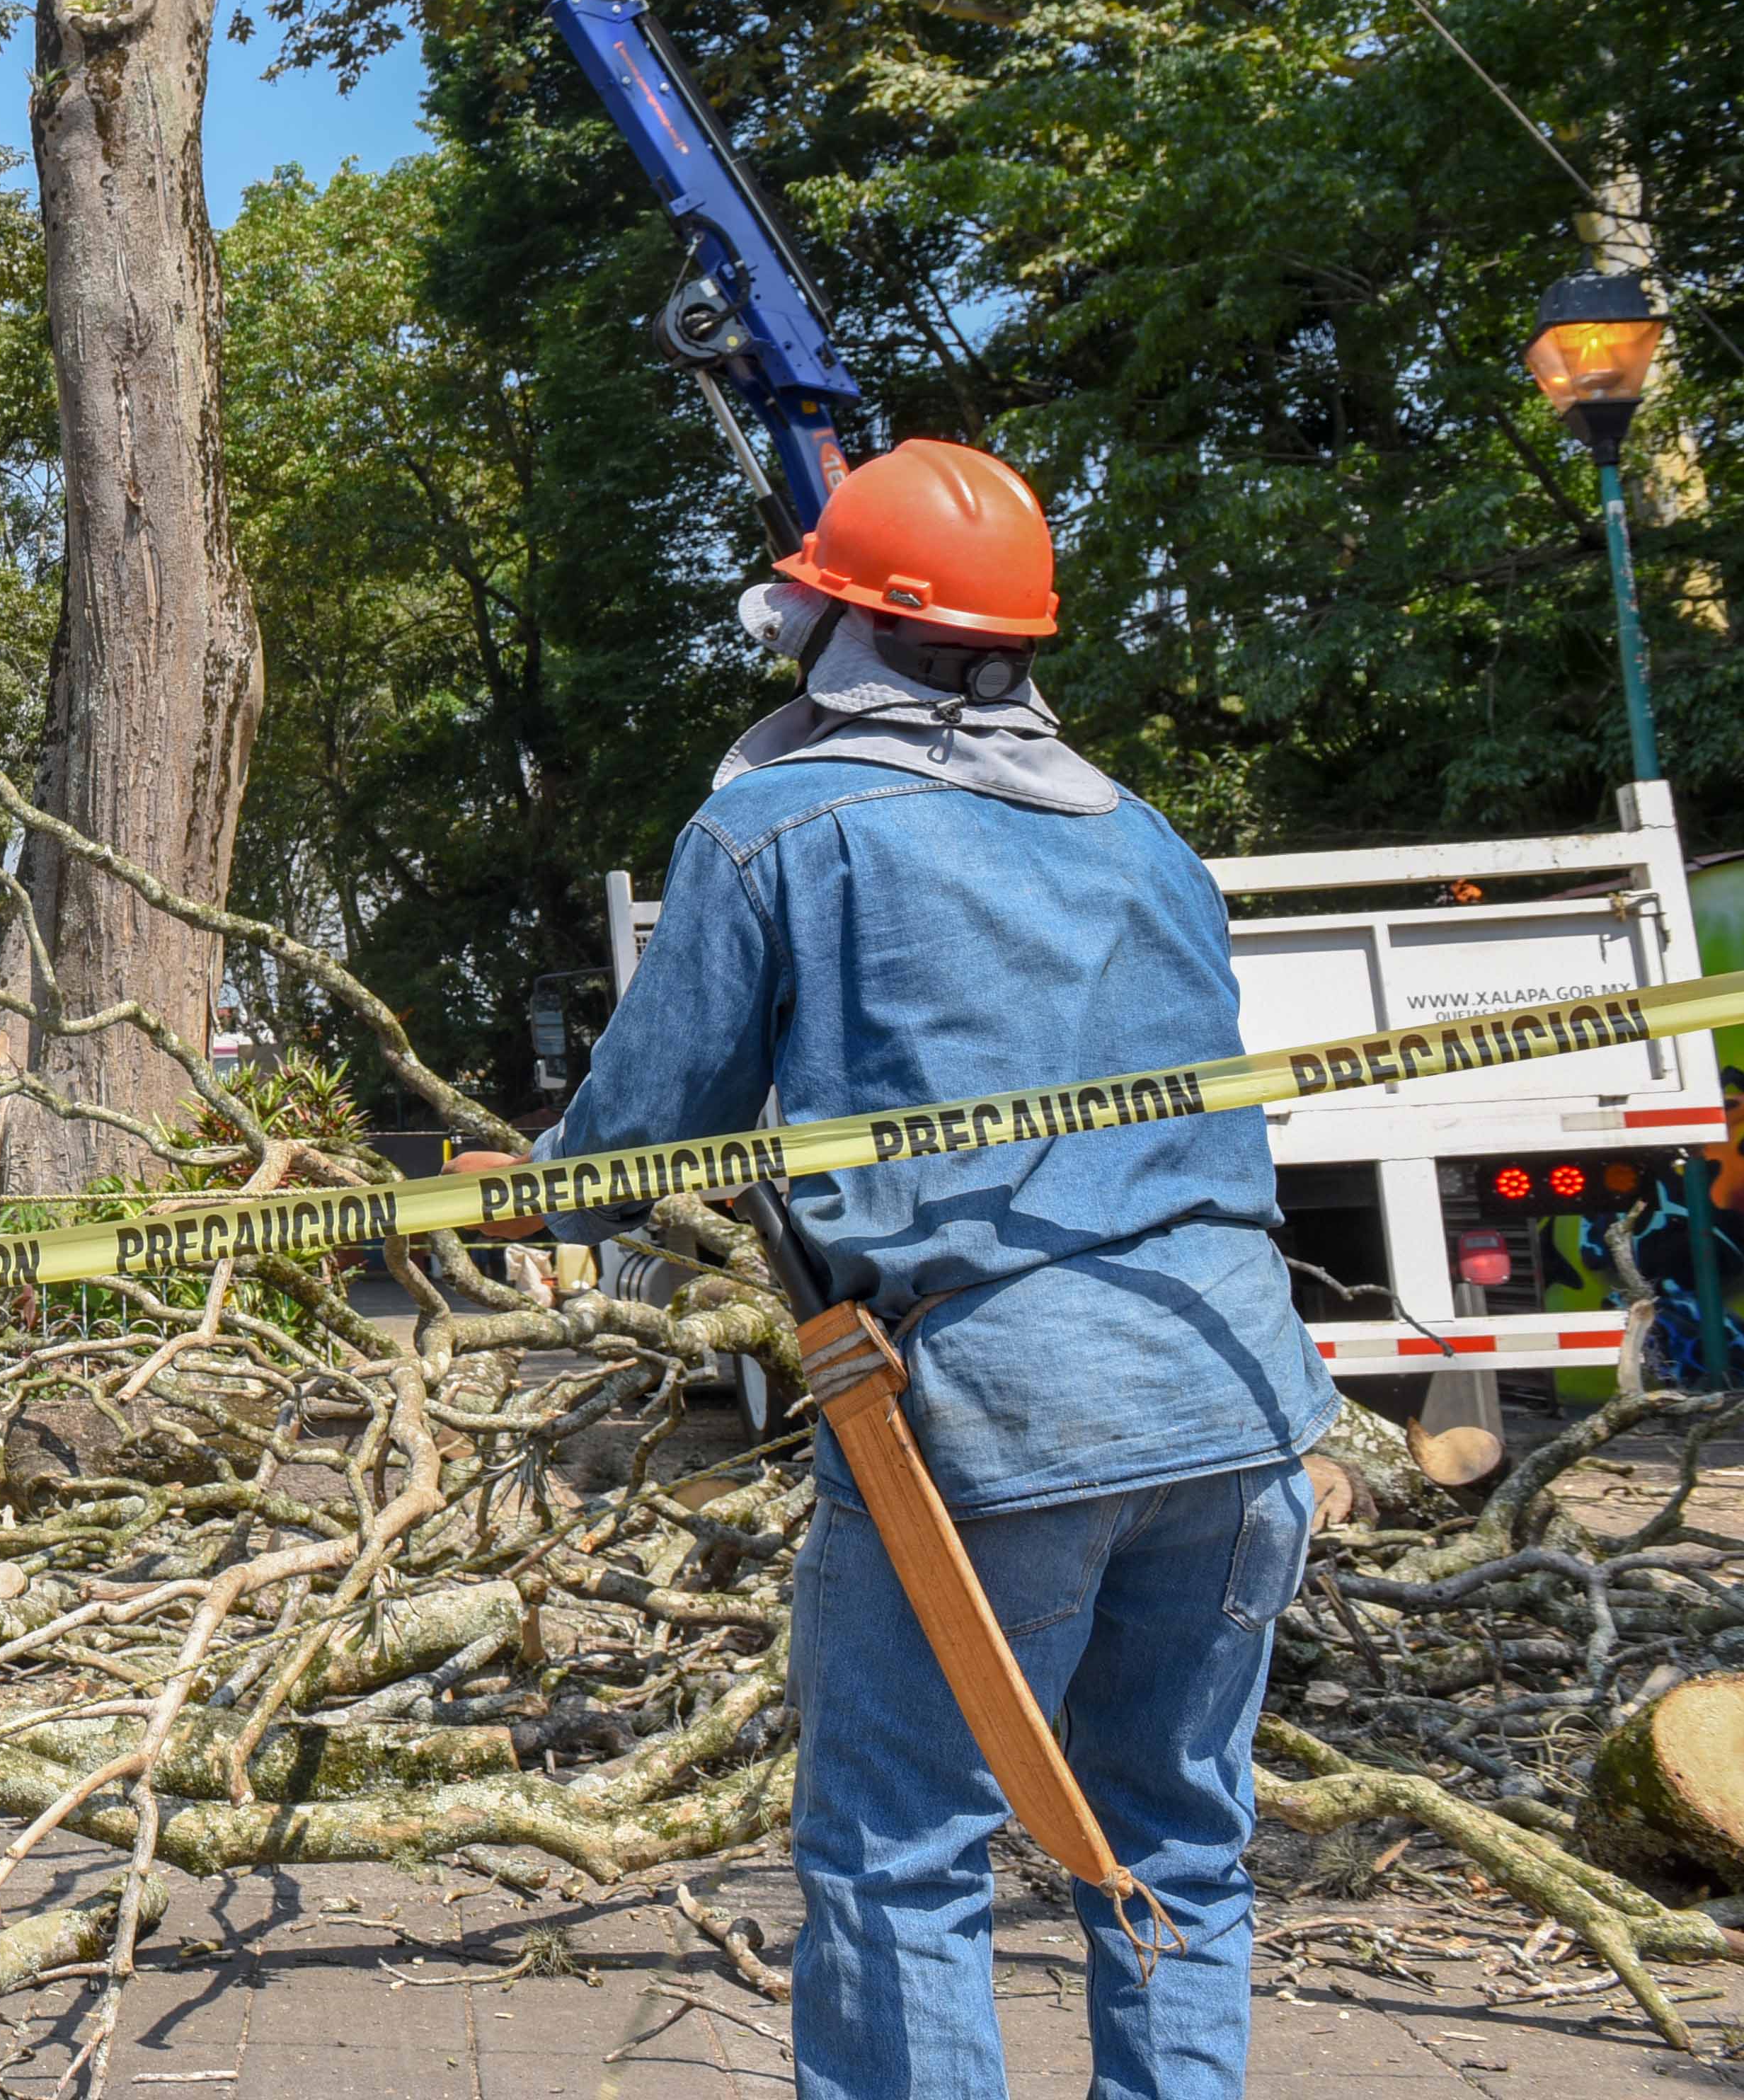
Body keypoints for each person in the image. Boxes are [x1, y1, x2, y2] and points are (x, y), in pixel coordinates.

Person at [534, 437, 1333, 2100]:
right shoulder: (1140, 834)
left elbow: (639, 1136)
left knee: (902, 1855)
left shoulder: (776, 825)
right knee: (1178, 1846)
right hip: (1242, 1398)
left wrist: (541, 1207)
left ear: (833, 632)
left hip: (995, 1423)